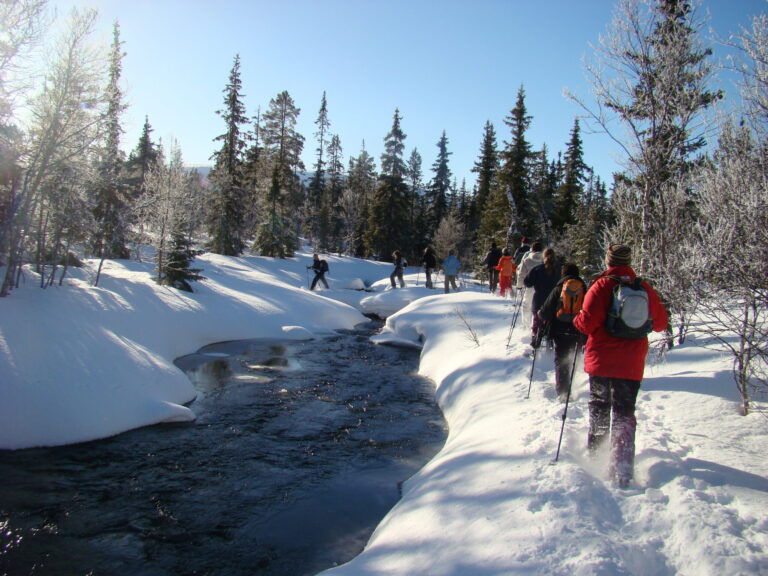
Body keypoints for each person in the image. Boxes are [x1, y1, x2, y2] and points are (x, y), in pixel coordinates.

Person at [573, 243, 668, 489]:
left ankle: (596, 457)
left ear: (608, 260)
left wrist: (576, 318)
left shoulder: (602, 285)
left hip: (602, 361)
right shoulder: (643, 287)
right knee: (625, 412)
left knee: (599, 407)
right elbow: (660, 323)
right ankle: (622, 465)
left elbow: (587, 324)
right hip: (631, 363)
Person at [537, 263, 587, 401]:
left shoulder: (559, 288)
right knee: (573, 356)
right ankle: (571, 383)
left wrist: (540, 315)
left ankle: (563, 391)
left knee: (561, 358)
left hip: (559, 329)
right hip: (578, 329)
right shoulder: (583, 288)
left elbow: (545, 312)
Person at [524, 247, 560, 347]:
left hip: (539, 301)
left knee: (537, 322)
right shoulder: (558, 270)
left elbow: (527, 282)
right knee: (550, 322)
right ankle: (549, 341)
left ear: (543, 257)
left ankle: (536, 341)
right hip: (553, 302)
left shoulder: (537, 269)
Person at [515, 241, 543, 329]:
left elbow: (521, 274)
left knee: (526, 306)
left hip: (529, 287)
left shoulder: (526, 260)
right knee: (539, 307)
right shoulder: (544, 261)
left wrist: (519, 286)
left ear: (532, 250)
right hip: (542, 287)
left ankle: (526, 326)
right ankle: (537, 326)